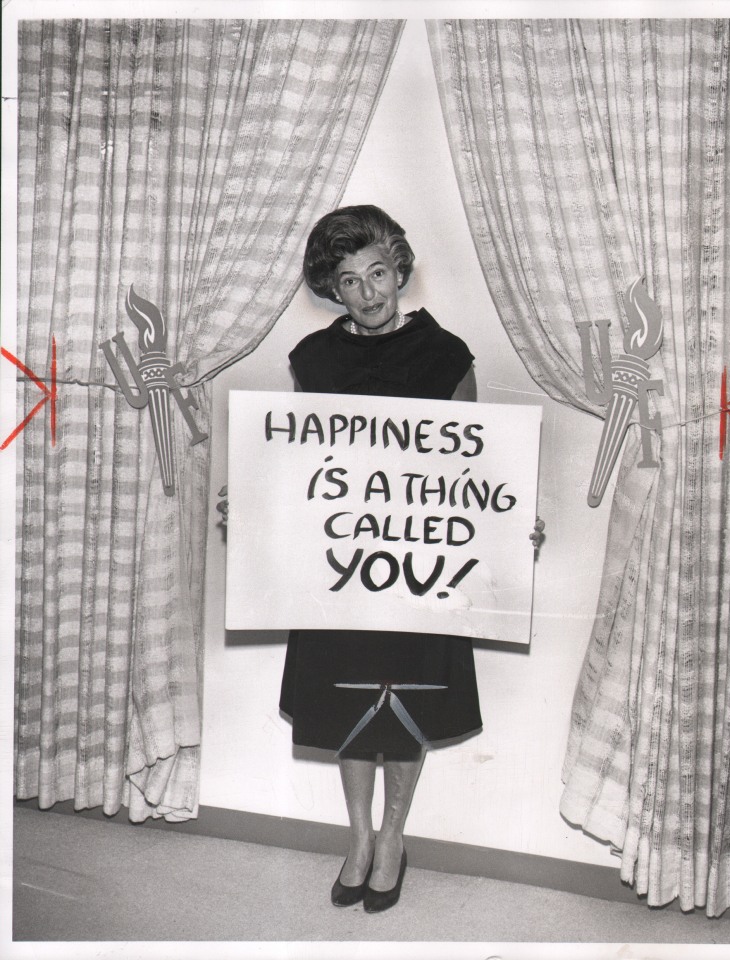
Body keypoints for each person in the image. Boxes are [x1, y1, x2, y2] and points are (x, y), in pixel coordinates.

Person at [219, 204, 544, 913]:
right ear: (331, 289)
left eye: (378, 274)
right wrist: (249, 504)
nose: (368, 293)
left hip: (418, 575)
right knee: (345, 702)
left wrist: (510, 521)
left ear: (399, 267)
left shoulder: (446, 354)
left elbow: (476, 468)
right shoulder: (313, 358)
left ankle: (392, 839)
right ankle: (357, 838)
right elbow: (301, 466)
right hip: (337, 572)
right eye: (349, 280)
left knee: (404, 704)